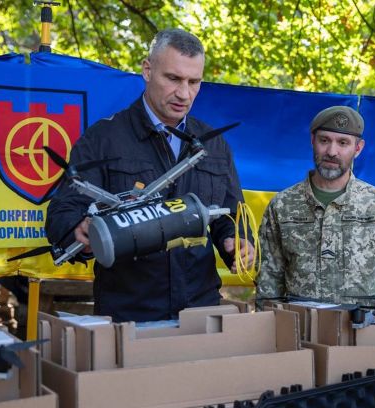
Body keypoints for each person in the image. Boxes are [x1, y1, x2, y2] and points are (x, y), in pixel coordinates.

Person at [46, 28, 254, 322]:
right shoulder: (103, 138)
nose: (184, 93)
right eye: (173, 78)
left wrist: (237, 243)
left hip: (201, 310)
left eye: (194, 82)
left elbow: (229, 215)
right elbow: (63, 211)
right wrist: (77, 229)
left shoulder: (214, 144)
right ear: (147, 70)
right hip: (129, 314)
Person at [255, 106, 375, 307]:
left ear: (358, 148)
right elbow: (268, 282)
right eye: (324, 140)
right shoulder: (282, 205)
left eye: (343, 143)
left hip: (362, 323)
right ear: (312, 141)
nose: (332, 152)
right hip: (301, 323)